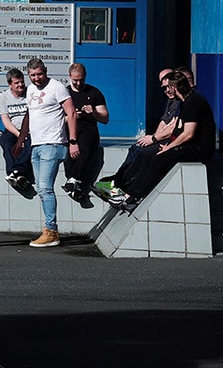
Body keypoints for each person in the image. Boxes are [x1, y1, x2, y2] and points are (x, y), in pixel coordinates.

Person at [98, 70, 216, 211]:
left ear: (174, 87)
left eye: (168, 87)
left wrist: (169, 147)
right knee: (147, 153)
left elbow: (188, 134)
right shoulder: (184, 101)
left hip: (200, 149)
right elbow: (177, 129)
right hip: (188, 144)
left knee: (159, 159)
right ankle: (124, 190)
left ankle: (133, 197)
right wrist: (166, 144)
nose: (166, 90)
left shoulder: (193, 101)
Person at [13, 58, 78, 248]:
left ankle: (51, 230)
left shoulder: (57, 87)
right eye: (32, 75)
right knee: (41, 189)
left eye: (39, 74)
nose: (36, 78)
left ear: (46, 71)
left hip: (54, 143)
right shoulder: (31, 90)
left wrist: (73, 141)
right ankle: (50, 230)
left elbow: (71, 113)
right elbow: (29, 116)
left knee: (45, 187)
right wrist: (20, 140)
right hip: (36, 144)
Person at [61, 62, 109, 201]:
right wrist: (71, 116)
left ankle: (73, 179)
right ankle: (73, 184)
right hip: (69, 129)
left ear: (85, 76)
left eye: (81, 79)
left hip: (88, 129)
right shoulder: (64, 93)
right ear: (69, 77)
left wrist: (93, 112)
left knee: (86, 145)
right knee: (69, 155)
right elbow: (55, 119)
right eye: (75, 80)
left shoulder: (94, 93)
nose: (78, 83)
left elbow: (105, 118)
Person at [0, 67, 34, 193]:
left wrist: (23, 136)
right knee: (5, 140)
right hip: (14, 130)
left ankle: (17, 171)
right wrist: (19, 135)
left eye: (22, 82)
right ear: (10, 84)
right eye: (16, 83)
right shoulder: (3, 97)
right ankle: (13, 173)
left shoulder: (30, 93)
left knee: (30, 142)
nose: (20, 85)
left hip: (30, 130)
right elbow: (6, 121)